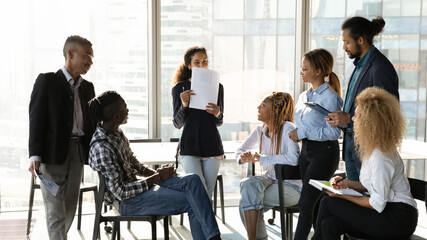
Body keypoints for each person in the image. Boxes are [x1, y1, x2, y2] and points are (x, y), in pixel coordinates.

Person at [88, 91, 222, 240]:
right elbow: (121, 192)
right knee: (194, 200)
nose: (128, 110)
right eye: (124, 107)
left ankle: (213, 237)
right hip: (127, 203)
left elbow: (134, 163)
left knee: (193, 180)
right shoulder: (101, 147)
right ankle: (215, 238)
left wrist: (158, 174)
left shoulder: (116, 133)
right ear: (116, 117)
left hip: (139, 190)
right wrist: (156, 178)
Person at [313, 87, 418, 240]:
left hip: (398, 218)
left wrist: (340, 196)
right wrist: (346, 184)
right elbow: (374, 186)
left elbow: (377, 203)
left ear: (370, 123)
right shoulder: (373, 149)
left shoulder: (380, 156)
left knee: (329, 203)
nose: (353, 119)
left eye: (357, 116)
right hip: (387, 210)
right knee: (329, 224)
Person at [28, 35, 95, 240]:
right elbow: (36, 119)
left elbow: (92, 122)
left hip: (78, 152)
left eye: (92, 58)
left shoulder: (87, 87)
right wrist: (34, 155)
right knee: (55, 210)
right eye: (87, 56)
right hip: (52, 154)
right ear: (70, 54)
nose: (90, 62)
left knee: (69, 208)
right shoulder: (47, 81)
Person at [327, 16, 399, 181]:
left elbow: (386, 115)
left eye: (347, 42)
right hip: (353, 143)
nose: (344, 47)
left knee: (368, 200)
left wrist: (349, 119)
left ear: (360, 40)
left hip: (368, 148)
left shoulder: (380, 68)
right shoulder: (360, 65)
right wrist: (343, 120)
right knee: (354, 197)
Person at [288, 48, 343, 240]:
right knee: (316, 204)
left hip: (324, 154)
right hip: (307, 152)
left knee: (305, 204)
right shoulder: (304, 96)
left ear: (318, 71)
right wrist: (298, 134)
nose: (301, 72)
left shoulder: (330, 97)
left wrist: (303, 132)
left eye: (305, 68)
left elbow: (335, 131)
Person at [237, 92, 301, 240]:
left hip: (291, 187)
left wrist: (263, 159)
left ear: (275, 110)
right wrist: (243, 158)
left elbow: (294, 159)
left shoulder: (287, 127)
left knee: (245, 203)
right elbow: (240, 150)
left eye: (263, 105)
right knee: (248, 185)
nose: (258, 107)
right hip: (270, 181)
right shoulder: (260, 130)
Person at [171, 46, 224, 201]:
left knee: (206, 194)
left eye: (204, 61)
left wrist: (217, 113)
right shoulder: (180, 88)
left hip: (212, 146)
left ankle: (202, 225)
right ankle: (205, 225)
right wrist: (184, 105)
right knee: (198, 191)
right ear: (189, 65)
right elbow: (177, 123)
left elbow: (219, 121)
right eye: (197, 62)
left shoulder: (217, 86)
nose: (202, 66)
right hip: (189, 146)